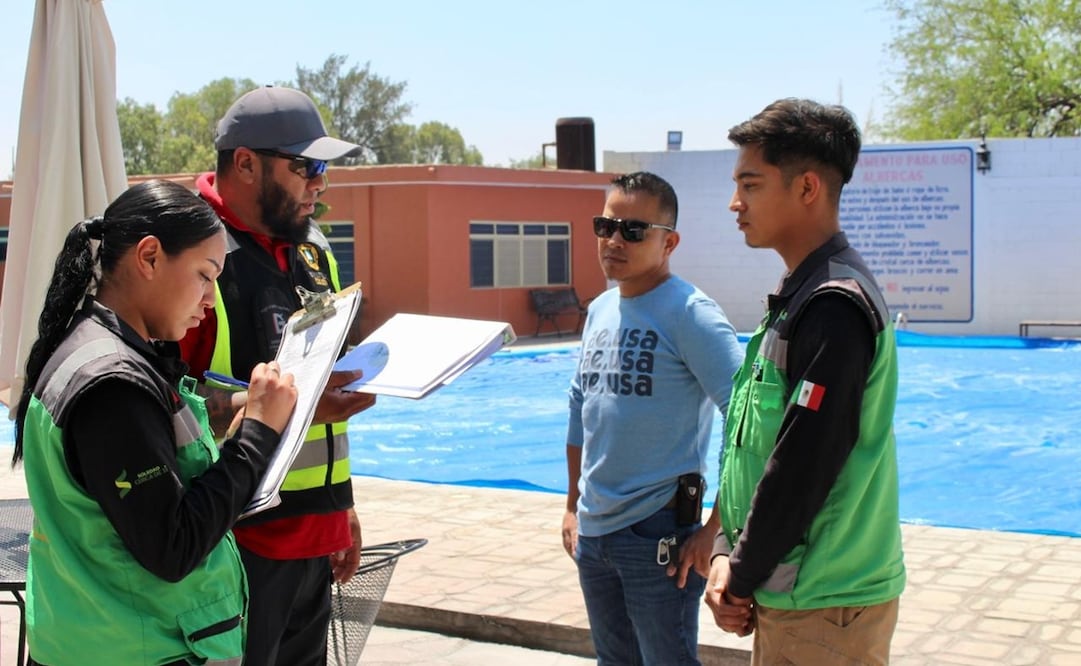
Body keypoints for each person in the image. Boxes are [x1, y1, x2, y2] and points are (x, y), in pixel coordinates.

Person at [13, 179, 298, 665]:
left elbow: (151, 444)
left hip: (94, 639)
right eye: (205, 276)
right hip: (137, 650)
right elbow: (173, 546)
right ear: (148, 258)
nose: (210, 302)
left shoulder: (94, 346)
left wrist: (239, 410)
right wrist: (257, 436)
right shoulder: (112, 384)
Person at [179, 86, 376, 666]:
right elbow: (168, 403)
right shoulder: (190, 250)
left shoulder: (313, 250)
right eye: (306, 166)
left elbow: (321, 381)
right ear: (245, 163)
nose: (320, 182)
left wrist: (342, 508)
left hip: (314, 535)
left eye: (324, 167)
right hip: (236, 543)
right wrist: (300, 406)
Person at [705, 98, 907, 664]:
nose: (734, 203)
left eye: (751, 184)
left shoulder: (834, 305)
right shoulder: (801, 294)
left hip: (825, 605)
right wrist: (726, 550)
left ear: (807, 188)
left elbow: (802, 464)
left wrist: (739, 575)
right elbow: (751, 442)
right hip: (795, 596)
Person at [562, 171, 744, 665]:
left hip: (657, 531)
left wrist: (716, 529)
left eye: (633, 230)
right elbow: (581, 406)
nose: (614, 240)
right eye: (605, 226)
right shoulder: (600, 309)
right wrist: (573, 504)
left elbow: (747, 419)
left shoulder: (691, 314)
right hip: (596, 532)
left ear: (669, 242)